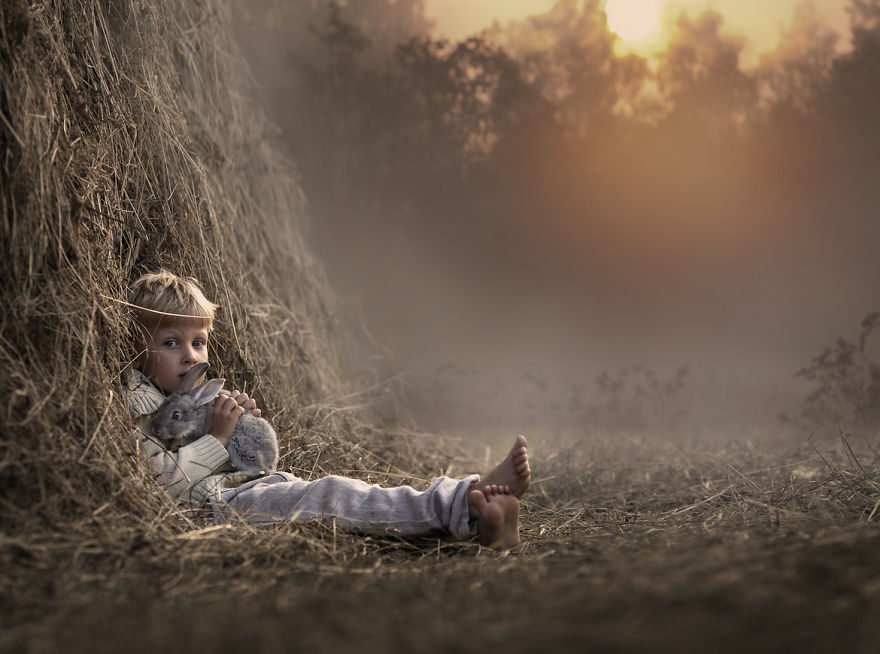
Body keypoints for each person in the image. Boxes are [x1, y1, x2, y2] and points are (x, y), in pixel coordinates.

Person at [126, 271, 530, 548]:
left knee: (347, 501)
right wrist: (218, 438)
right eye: (170, 343)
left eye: (198, 342)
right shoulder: (138, 406)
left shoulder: (195, 394)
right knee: (332, 496)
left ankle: (476, 518)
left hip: (242, 491)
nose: (189, 356)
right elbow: (164, 484)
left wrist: (239, 428)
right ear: (136, 348)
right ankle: (463, 503)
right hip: (212, 512)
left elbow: (252, 459)